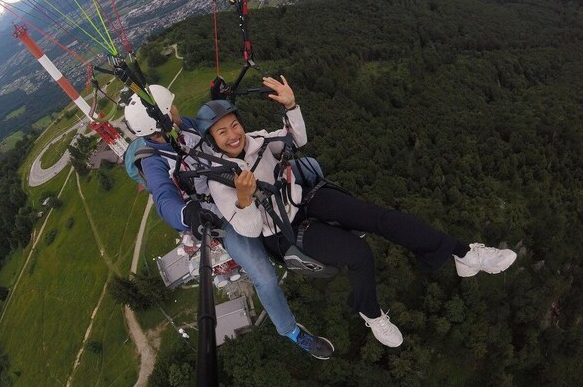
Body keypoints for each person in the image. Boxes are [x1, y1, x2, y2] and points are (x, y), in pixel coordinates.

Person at [195, 76, 517, 348]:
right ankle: (372, 314)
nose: (233, 135)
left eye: (234, 125)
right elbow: (250, 230)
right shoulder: (220, 182)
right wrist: (244, 199)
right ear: (212, 140)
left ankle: (463, 254)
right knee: (360, 254)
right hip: (282, 231)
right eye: (222, 132)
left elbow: (297, 139)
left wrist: (292, 107)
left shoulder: (258, 141)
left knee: (382, 218)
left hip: (304, 201)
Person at [124, 85, 334, 359]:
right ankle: (292, 332)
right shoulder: (154, 162)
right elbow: (164, 199)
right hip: (222, 213)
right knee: (264, 277)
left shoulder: (181, 127)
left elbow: (216, 130)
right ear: (162, 118)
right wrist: (188, 214)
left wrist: (218, 97)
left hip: (243, 178)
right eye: (171, 106)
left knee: (311, 167)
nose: (177, 108)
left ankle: (327, 219)